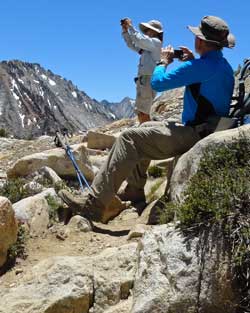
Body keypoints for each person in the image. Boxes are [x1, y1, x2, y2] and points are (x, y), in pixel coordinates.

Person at [59, 15, 235, 224]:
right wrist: (191, 63)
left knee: (129, 138)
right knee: (147, 126)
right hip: (208, 128)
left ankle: (94, 205)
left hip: (194, 133)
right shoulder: (222, 66)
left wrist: (163, 62)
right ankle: (134, 192)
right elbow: (205, 82)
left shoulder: (201, 66)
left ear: (200, 41)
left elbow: (158, 83)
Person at [121, 18, 163, 124]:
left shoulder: (155, 42)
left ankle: (147, 134)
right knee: (141, 111)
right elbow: (132, 44)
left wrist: (130, 27)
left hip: (148, 79)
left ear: (154, 31)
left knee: (143, 111)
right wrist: (125, 31)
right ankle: (145, 131)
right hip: (144, 80)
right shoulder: (148, 46)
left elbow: (139, 40)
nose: (147, 32)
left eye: (149, 29)